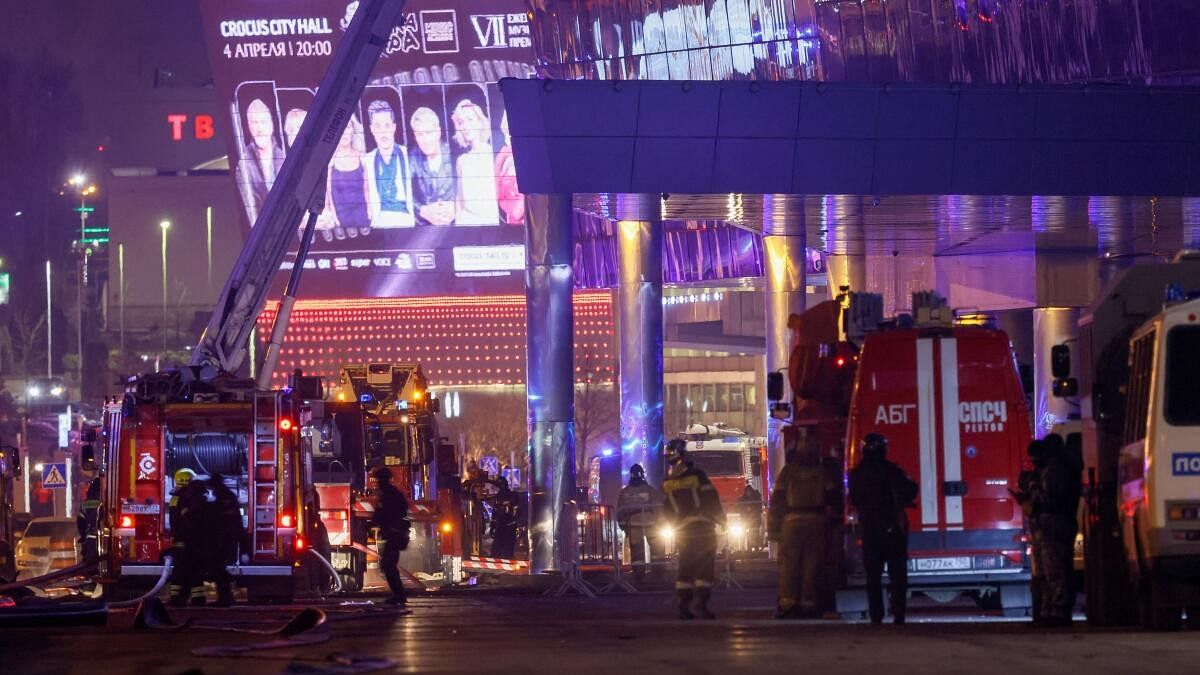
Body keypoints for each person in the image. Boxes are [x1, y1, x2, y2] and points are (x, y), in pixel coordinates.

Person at [848, 433, 918, 624]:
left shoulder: (856, 474)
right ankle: (898, 614)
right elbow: (911, 489)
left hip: (870, 530)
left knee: (873, 577)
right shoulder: (892, 471)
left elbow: (853, 498)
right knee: (897, 575)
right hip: (892, 530)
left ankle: (876, 615)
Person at [769, 438, 838, 619]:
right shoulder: (822, 472)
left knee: (789, 565)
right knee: (812, 564)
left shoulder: (788, 472)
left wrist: (774, 529)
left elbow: (777, 501)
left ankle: (788, 605)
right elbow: (833, 497)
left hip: (791, 522)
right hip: (817, 522)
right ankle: (809, 605)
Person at [662, 439, 725, 619]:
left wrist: (674, 523)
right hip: (702, 526)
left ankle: (683, 604)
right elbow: (711, 498)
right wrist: (721, 519)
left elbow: (667, 508)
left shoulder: (668, 481)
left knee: (686, 566)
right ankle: (701, 604)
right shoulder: (697, 475)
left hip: (682, 530)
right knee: (705, 566)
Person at [1032, 433, 1081, 627]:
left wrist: (1034, 490)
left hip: (1054, 524)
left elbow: (1050, 498)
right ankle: (1054, 611)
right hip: (1061, 523)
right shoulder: (1063, 468)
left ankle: (1058, 612)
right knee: (1056, 568)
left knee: (1055, 569)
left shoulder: (1055, 470)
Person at [363, 99, 414, 229]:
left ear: (394, 127)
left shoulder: (407, 154)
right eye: (378, 126)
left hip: (407, 220)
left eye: (386, 125)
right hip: (380, 222)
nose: (383, 132)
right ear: (372, 129)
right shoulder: (367, 160)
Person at [320, 113, 370, 241]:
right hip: (340, 220)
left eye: (347, 127)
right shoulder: (329, 161)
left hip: (362, 218)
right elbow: (328, 194)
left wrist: (371, 216)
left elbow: (368, 190)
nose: (344, 133)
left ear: (353, 130)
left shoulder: (362, 157)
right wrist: (334, 218)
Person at [235, 98, 285, 222]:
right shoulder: (244, 163)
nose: (259, 128)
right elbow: (250, 209)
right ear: (248, 126)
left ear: (272, 125)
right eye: (254, 123)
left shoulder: (284, 156)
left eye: (263, 122)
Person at [449, 99, 498, 225]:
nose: (465, 126)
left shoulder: (493, 154)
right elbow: (459, 200)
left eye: (470, 119)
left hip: (491, 224)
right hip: (467, 223)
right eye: (461, 122)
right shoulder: (462, 160)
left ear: (480, 122)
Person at [368, 466, 411, 607]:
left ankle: (399, 596)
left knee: (388, 565)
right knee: (389, 565)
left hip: (394, 534)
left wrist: (371, 526)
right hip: (395, 533)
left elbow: (381, 513)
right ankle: (399, 595)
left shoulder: (388, 494)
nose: (377, 483)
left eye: (378, 480)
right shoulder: (392, 493)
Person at [408, 107, 456, 227]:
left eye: (429, 133)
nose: (425, 140)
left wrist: (457, 207)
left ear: (438, 132)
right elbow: (402, 191)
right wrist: (422, 210)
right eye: (420, 135)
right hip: (425, 228)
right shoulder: (413, 156)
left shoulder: (454, 152)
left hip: (456, 225)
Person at [167, 469, 208, 607]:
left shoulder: (176, 497)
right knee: (191, 569)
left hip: (181, 540)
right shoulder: (188, 498)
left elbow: (175, 521)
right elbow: (188, 521)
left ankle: (181, 597)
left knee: (182, 569)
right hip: (188, 540)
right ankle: (193, 598)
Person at [616, 463, 664, 580]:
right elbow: (659, 508)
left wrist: (624, 527)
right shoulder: (650, 490)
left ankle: (639, 576)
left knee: (637, 554)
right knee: (657, 551)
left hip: (634, 526)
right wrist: (661, 523)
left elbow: (620, 511)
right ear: (642, 475)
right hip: (651, 525)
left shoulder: (625, 492)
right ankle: (658, 574)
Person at [201, 473, 242, 607]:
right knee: (218, 568)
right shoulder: (226, 495)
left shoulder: (224, 497)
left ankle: (225, 598)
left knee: (218, 568)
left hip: (223, 538)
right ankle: (225, 597)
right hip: (226, 537)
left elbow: (219, 517)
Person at [493, 111, 524, 225]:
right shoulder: (506, 157)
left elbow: (517, 212)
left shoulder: (532, 158)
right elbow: (495, 194)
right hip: (512, 230)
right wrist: (500, 159)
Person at [488, 477, 519, 559]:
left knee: (507, 550)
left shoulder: (513, 495)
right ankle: (495, 567)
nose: (500, 487)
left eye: (500, 485)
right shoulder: (498, 496)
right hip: (501, 526)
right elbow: (495, 512)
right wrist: (492, 526)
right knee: (496, 550)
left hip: (509, 526)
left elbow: (516, 509)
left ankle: (508, 565)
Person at [76, 476, 102, 562]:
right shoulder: (103, 502)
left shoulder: (85, 504)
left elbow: (81, 522)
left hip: (90, 537)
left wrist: (83, 536)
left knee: (89, 563)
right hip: (103, 536)